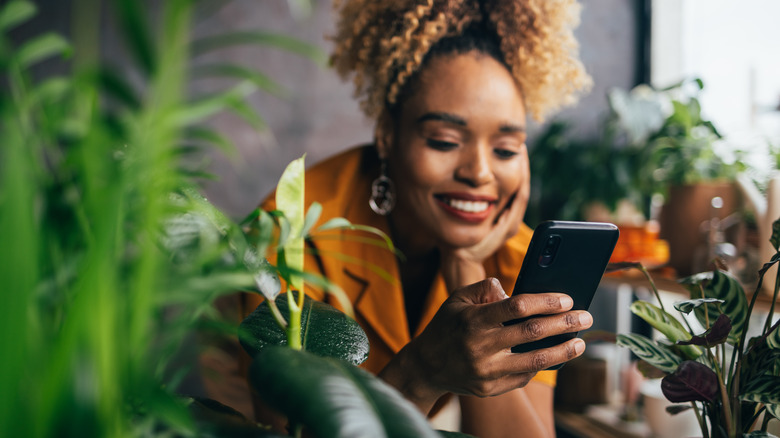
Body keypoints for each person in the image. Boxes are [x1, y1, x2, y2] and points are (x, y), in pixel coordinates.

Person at [203, 1, 594, 436]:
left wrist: (465, 266)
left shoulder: (517, 255)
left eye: (505, 149)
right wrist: (420, 372)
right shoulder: (293, 232)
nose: (480, 173)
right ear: (388, 136)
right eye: (445, 141)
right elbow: (295, 430)